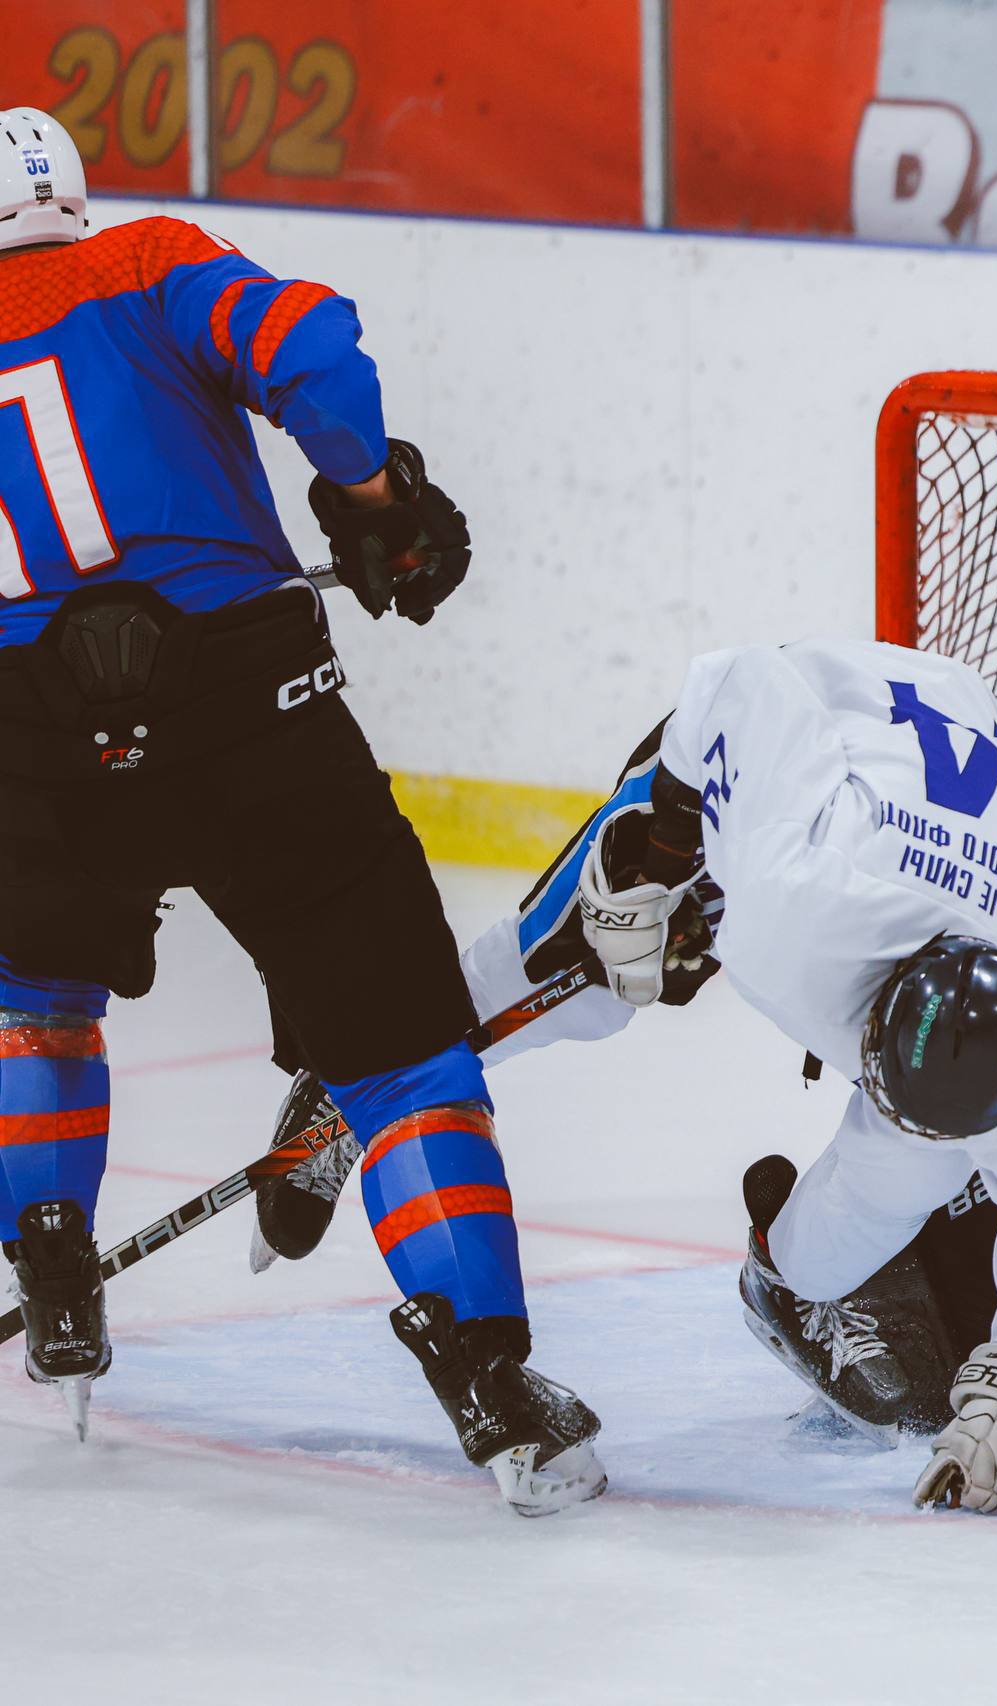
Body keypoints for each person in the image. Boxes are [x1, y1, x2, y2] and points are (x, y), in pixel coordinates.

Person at [0, 107, 600, 1513]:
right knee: (402, 1059)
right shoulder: (144, 261)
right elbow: (316, 356)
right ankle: (491, 1379)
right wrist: (375, 492)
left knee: (34, 1001)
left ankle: (53, 1269)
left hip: (25, 734)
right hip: (247, 712)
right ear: (72, 199)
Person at [289, 639, 997, 1515]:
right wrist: (660, 858)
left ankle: (786, 1271)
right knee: (564, 973)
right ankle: (360, 1073)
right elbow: (740, 681)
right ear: (878, 1002)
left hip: (907, 837)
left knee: (868, 1216)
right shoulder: (799, 895)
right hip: (815, 753)